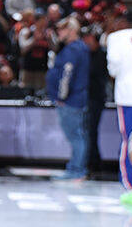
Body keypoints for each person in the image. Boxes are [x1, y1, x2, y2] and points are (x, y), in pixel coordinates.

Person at [107, 8, 132, 193]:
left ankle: (130, 185)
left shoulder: (116, 38)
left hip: (127, 95)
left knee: (130, 139)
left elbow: (113, 69)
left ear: (125, 21)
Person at [46, 19, 90, 182]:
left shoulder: (73, 50)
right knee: (78, 135)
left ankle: (77, 169)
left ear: (71, 30)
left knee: (75, 136)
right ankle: (77, 167)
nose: (59, 33)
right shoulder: (80, 48)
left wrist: (61, 97)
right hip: (77, 97)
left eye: (62, 30)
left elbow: (67, 74)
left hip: (70, 100)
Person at [80, 25, 108, 178]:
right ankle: (91, 162)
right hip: (85, 97)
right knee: (87, 132)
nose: (85, 41)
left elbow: (93, 72)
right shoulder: (85, 54)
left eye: (88, 38)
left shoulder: (102, 54)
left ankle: (94, 163)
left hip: (95, 98)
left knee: (91, 131)